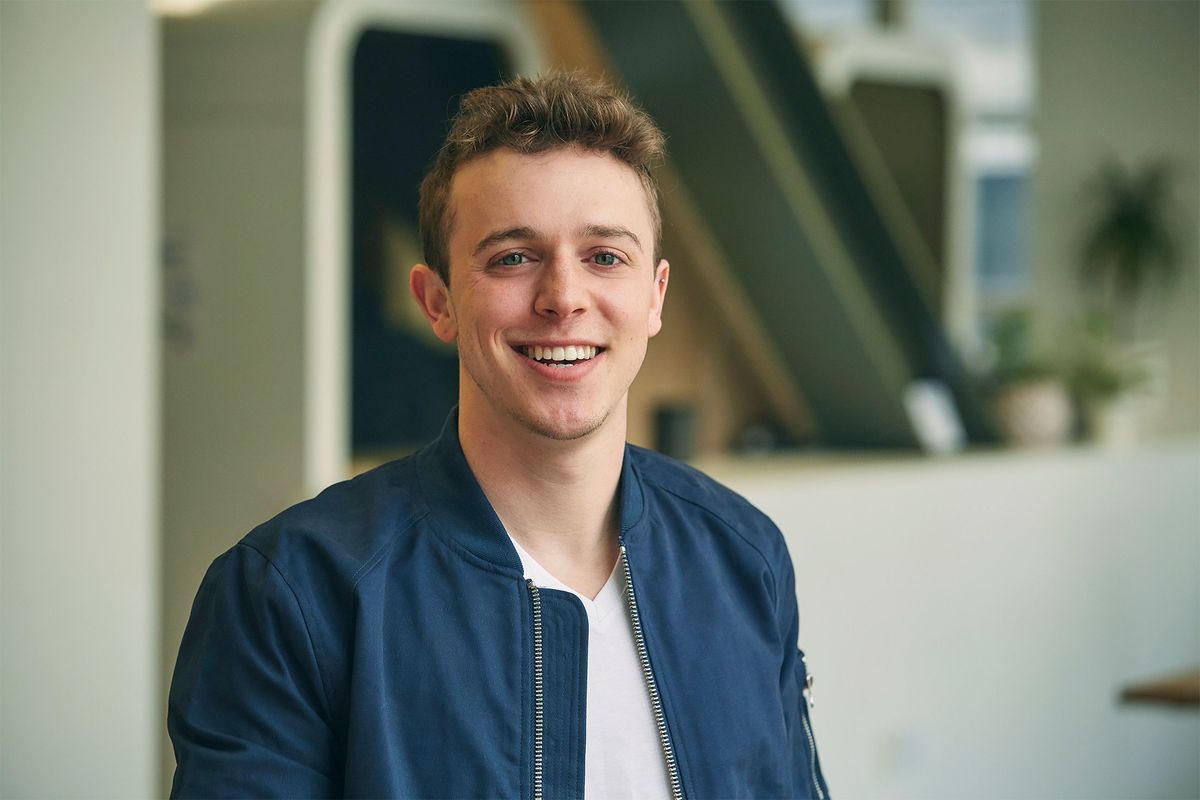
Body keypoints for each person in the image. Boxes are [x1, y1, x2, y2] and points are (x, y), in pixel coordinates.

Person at [168, 71, 829, 799]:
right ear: (438, 302)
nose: (564, 298)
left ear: (654, 296)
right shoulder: (293, 594)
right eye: (513, 257)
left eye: (605, 257)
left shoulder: (744, 559)